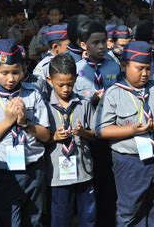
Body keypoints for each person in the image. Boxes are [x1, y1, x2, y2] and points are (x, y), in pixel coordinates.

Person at [96, 41, 154, 226]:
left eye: (148, 68)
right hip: (131, 161)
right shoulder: (114, 93)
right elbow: (101, 130)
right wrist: (132, 130)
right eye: (139, 68)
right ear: (125, 66)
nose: (144, 74)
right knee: (130, 210)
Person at [0, 39, 51, 226]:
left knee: (34, 219)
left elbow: (46, 136)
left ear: (23, 70)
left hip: (33, 169)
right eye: (4, 73)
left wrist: (24, 123)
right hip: (2, 172)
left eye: (15, 72)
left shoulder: (33, 93)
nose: (11, 79)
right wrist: (7, 122)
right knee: (8, 220)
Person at [45, 54, 97, 226]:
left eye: (70, 84)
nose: (66, 89)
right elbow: (39, 138)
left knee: (87, 216)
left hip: (83, 170)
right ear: (49, 80)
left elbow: (96, 135)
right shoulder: (44, 106)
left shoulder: (84, 104)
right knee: (60, 216)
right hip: (58, 175)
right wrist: (53, 137)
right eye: (61, 85)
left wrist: (84, 133)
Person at [74, 21, 120, 106]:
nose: (101, 46)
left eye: (103, 41)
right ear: (83, 45)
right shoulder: (76, 69)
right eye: (95, 43)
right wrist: (92, 99)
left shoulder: (115, 68)